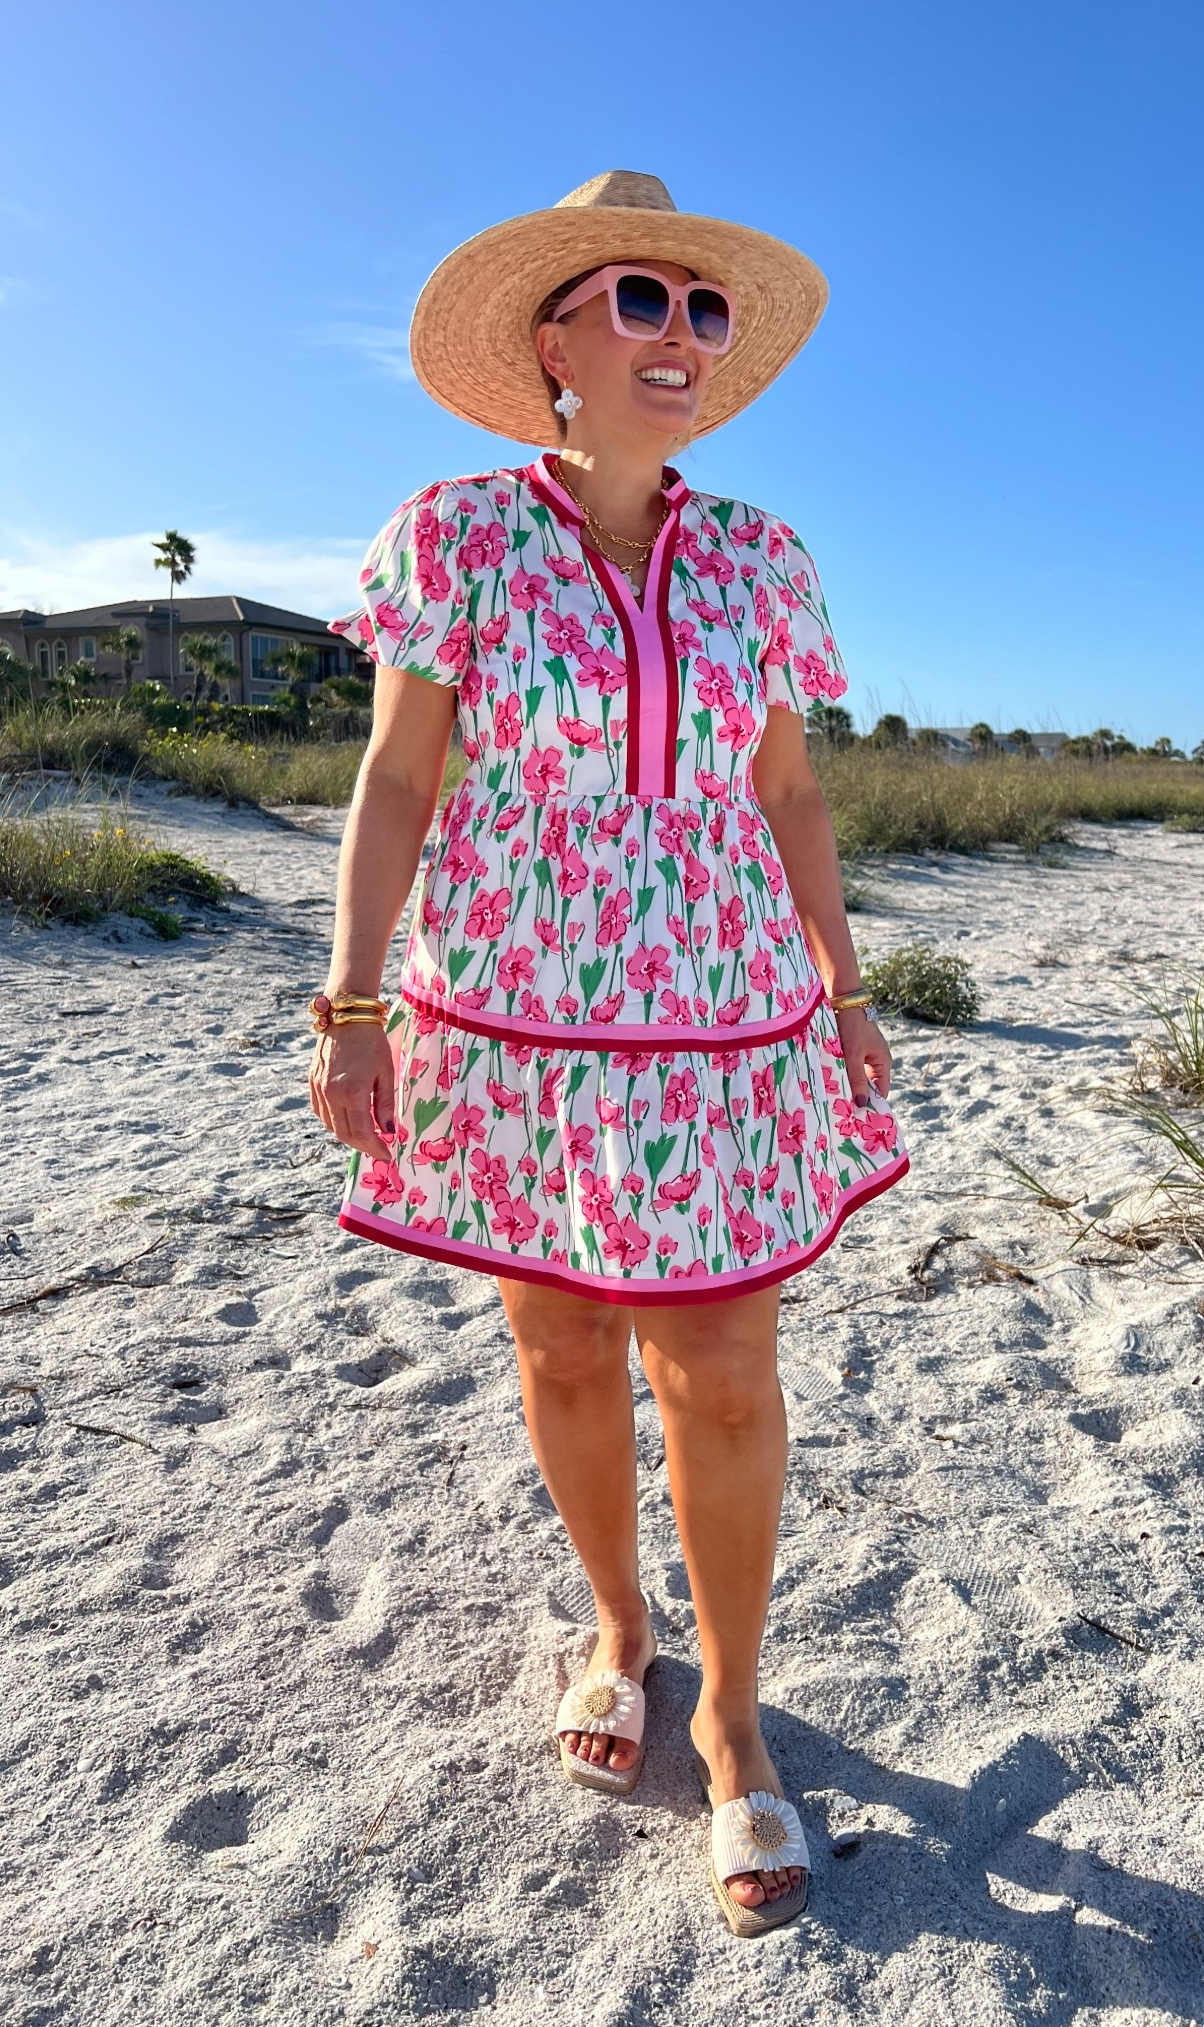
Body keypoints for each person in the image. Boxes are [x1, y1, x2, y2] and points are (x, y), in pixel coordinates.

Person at [309, 170, 908, 1937]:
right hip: (512, 1012)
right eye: (640, 300)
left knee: (721, 1366)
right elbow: (401, 783)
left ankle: (730, 1716)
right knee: (563, 1344)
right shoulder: (457, 533)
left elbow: (788, 790)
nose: (679, 337)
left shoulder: (762, 559)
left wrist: (849, 991)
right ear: (551, 339)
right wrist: (353, 1005)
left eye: (705, 311)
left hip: (720, 1019)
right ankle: (620, 1628)